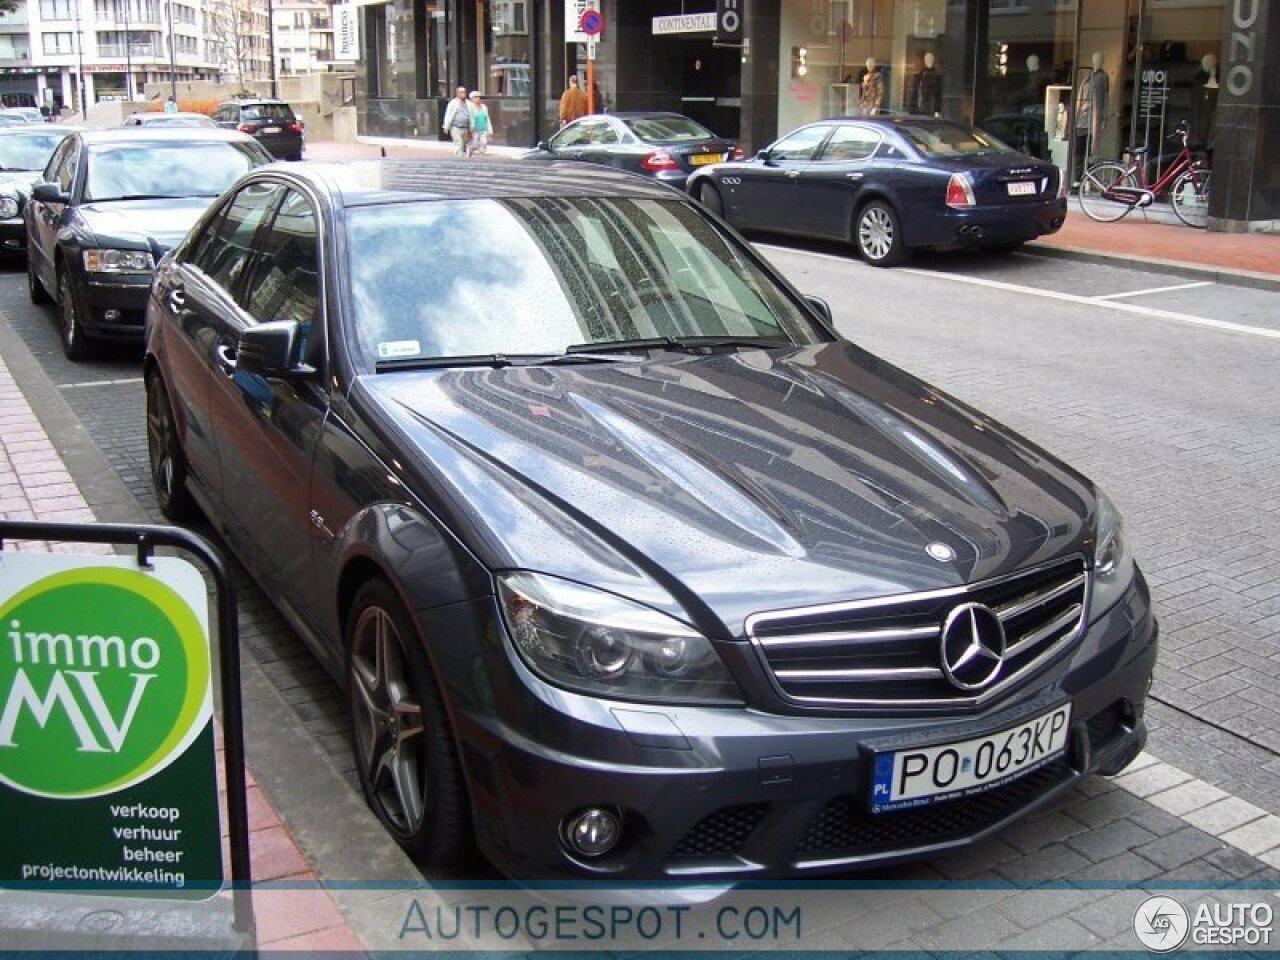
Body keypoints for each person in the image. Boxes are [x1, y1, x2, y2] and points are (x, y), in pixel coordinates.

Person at [441, 85, 471, 155]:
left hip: (466, 127)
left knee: (464, 144)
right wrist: (446, 126)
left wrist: (471, 126)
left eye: (464, 92)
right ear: (457, 93)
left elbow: (471, 115)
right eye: (461, 92)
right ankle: (459, 159)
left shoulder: (469, 103)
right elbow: (448, 114)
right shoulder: (453, 103)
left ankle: (462, 159)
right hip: (455, 127)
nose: (463, 94)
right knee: (458, 143)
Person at [466, 91, 491, 157]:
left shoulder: (484, 107)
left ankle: (481, 156)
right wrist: (468, 130)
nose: (478, 98)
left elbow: (487, 119)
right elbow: (468, 120)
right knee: (474, 144)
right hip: (474, 130)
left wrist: (489, 130)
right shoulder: (469, 107)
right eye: (476, 97)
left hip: (483, 129)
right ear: (471, 99)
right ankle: (470, 150)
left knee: (484, 143)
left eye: (479, 97)